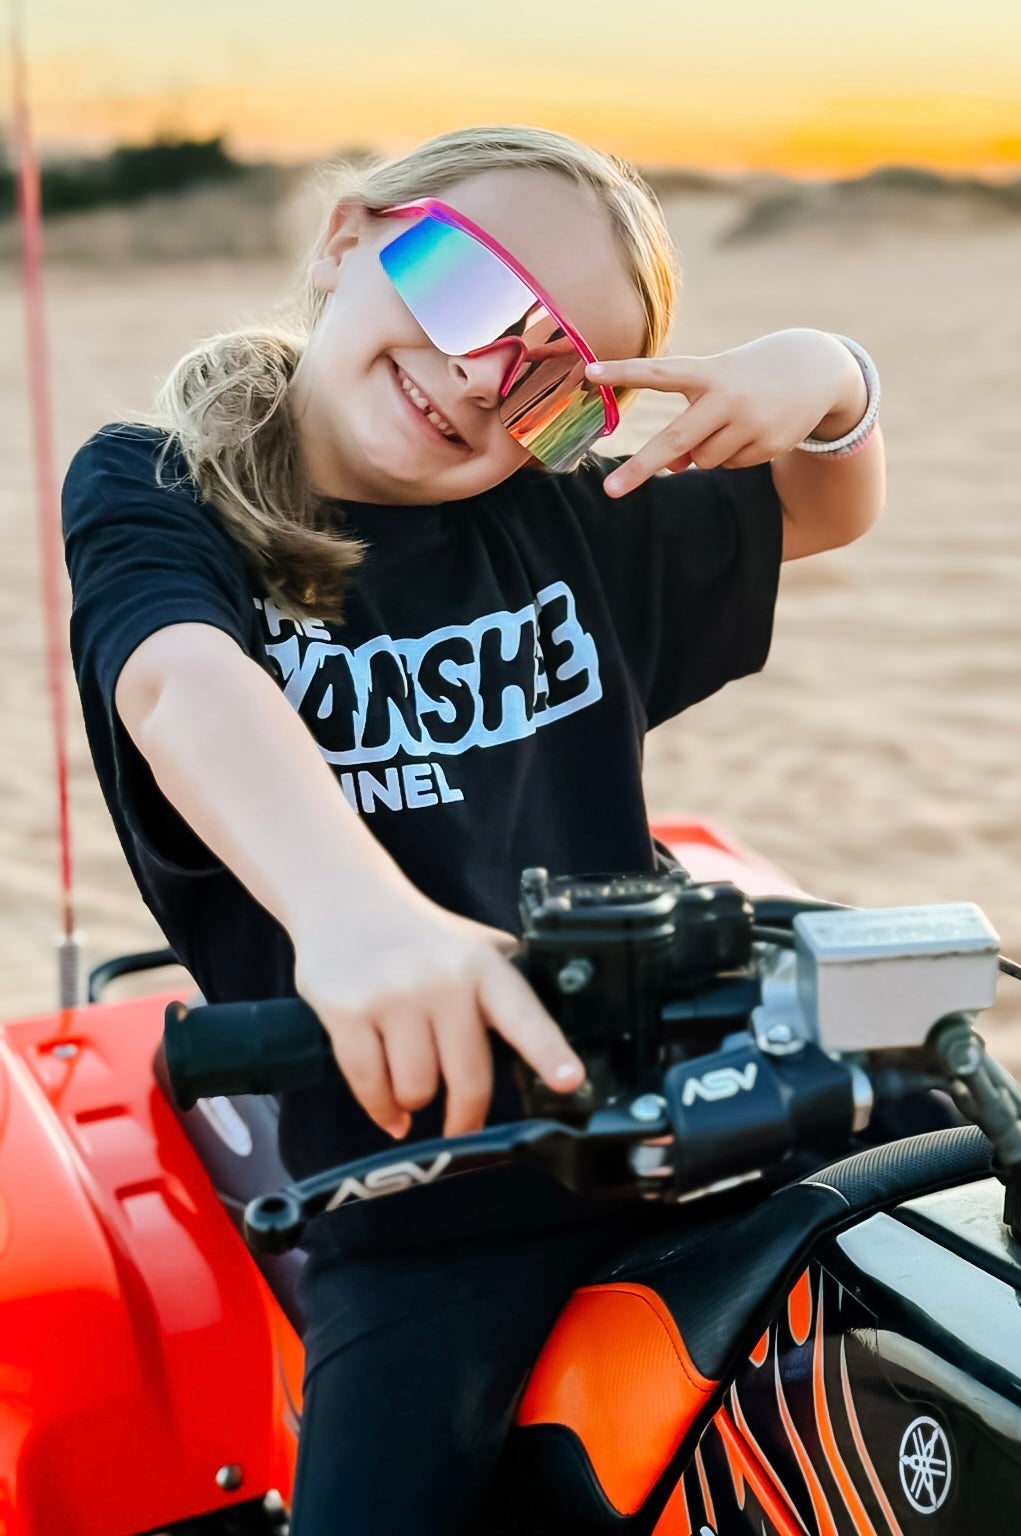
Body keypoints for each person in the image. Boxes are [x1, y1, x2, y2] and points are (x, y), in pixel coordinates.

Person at [61, 125, 884, 1533]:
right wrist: (354, 912)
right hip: (421, 1181)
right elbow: (175, 677)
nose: (482, 376)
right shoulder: (161, 487)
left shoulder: (569, 511)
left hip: (690, 1094)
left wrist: (823, 373)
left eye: (555, 379)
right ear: (347, 240)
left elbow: (827, 504)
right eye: (462, 291)